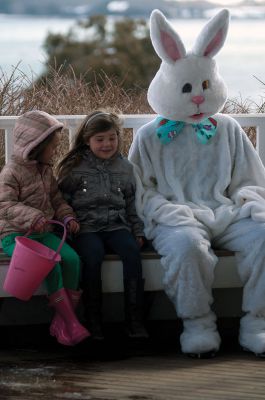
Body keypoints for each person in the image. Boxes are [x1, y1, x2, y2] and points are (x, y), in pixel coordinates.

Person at [129, 9, 265, 358]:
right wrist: (165, 211)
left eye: (205, 86)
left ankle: (256, 323)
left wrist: (249, 202)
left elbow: (250, 178)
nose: (199, 96)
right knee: (187, 247)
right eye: (188, 88)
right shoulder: (149, 136)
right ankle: (198, 324)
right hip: (177, 215)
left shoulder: (229, 129)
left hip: (227, 212)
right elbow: (141, 189)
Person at [0, 110, 90, 346]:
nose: (55, 151)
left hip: (44, 233)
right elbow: (5, 204)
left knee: (71, 259)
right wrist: (32, 217)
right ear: (35, 146)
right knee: (51, 266)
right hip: (16, 236)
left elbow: (56, 199)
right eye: (52, 146)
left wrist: (67, 217)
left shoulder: (46, 170)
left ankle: (62, 320)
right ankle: (70, 322)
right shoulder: (11, 172)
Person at [56, 110, 148, 340]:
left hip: (116, 225)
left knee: (131, 252)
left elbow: (131, 203)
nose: (107, 144)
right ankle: (93, 319)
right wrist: (67, 225)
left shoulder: (125, 168)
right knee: (93, 256)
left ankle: (134, 319)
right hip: (86, 228)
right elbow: (62, 200)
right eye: (100, 139)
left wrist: (137, 230)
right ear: (87, 141)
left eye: (112, 138)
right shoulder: (75, 167)